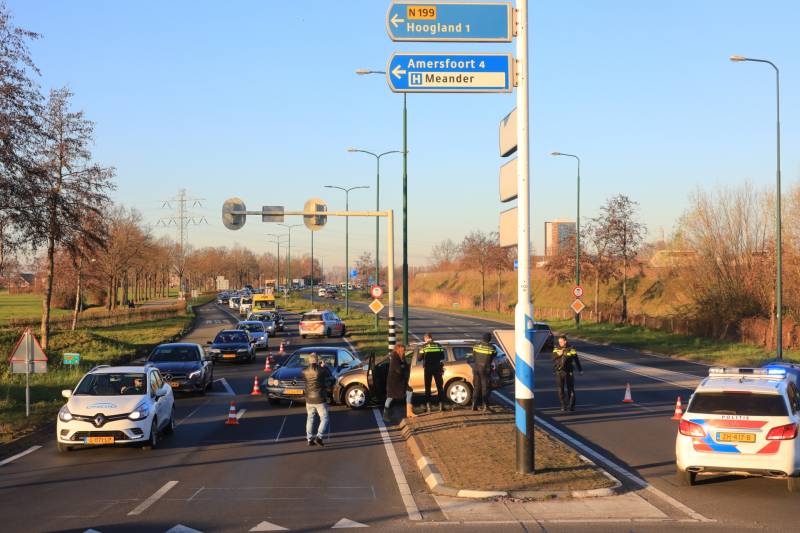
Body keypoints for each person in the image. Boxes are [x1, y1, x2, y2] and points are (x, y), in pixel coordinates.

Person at [302, 353, 333, 446]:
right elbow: (329, 375)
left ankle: (309, 439)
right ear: (317, 360)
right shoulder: (321, 370)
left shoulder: (304, 371)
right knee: (324, 418)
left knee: (310, 418)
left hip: (309, 398)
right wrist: (324, 366)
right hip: (319, 398)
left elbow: (305, 380)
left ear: (309, 360)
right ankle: (319, 437)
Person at [552, 335, 582, 412]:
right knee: (560, 389)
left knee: (571, 389)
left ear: (565, 341)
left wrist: (580, 369)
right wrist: (559, 354)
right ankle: (563, 405)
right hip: (559, 371)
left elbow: (576, 359)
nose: (560, 343)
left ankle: (571, 406)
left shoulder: (571, 348)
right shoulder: (556, 348)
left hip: (569, 371)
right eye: (559, 342)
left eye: (561, 342)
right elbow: (553, 357)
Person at [418, 333, 446, 412]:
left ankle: (428, 406)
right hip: (437, 368)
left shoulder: (424, 347)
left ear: (426, 338)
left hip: (428, 369)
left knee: (428, 387)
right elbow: (443, 357)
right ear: (431, 338)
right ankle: (441, 406)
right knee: (440, 387)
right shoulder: (438, 345)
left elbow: (419, 359)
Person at [383, 343, 411, 422]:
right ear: (398, 349)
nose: (404, 351)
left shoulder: (401, 356)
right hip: (393, 382)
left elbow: (405, 366)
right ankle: (385, 415)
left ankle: (409, 412)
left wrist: (404, 367)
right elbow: (398, 369)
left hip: (400, 381)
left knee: (409, 391)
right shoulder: (395, 357)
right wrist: (403, 367)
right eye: (403, 350)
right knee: (390, 397)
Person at [471, 333, 497, 412]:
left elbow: (474, 356)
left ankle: (474, 405)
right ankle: (485, 406)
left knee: (476, 387)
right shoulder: (491, 347)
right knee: (485, 388)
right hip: (485, 369)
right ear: (489, 339)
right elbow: (494, 355)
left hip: (476, 368)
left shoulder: (476, 346)